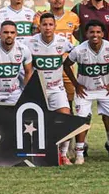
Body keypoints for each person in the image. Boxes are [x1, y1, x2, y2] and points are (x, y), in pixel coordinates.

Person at [63, 20, 109, 165]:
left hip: (106, 90)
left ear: (103, 34)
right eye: (92, 32)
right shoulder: (79, 50)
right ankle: (79, 155)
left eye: (98, 32)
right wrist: (76, 84)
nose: (95, 35)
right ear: (86, 34)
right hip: (86, 91)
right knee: (81, 122)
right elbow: (66, 65)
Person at [27, 13, 75, 164]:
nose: (47, 27)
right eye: (44, 24)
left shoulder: (63, 42)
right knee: (31, 121)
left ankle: (63, 154)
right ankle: (32, 151)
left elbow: (78, 53)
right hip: (37, 88)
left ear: (54, 26)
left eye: (50, 24)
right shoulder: (30, 43)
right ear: (39, 26)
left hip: (56, 88)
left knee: (65, 116)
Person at [32, 0, 80, 103]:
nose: (57, 0)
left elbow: (79, 39)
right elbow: (33, 40)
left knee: (68, 103)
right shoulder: (40, 17)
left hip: (67, 67)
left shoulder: (73, 17)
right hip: (46, 68)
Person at [0, 21, 33, 104]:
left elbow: (28, 72)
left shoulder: (24, 49)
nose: (9, 35)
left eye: (12, 32)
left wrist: (28, 93)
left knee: (17, 115)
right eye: (6, 32)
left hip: (14, 92)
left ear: (16, 34)